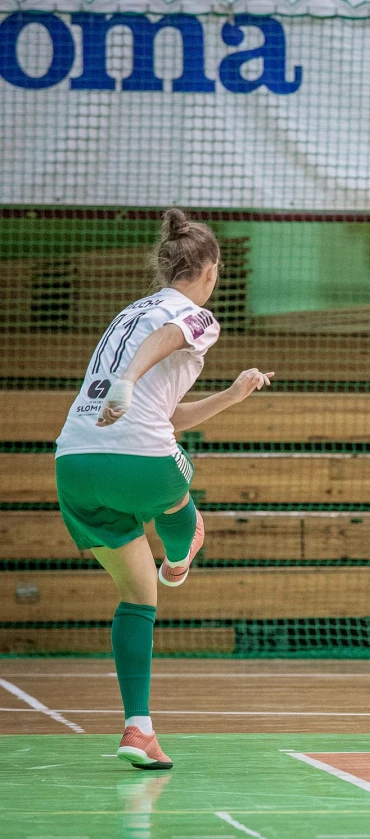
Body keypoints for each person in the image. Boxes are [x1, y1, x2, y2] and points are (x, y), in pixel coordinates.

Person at [54, 209, 273, 769]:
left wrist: (231, 395)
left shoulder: (128, 313)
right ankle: (180, 551)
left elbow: (166, 415)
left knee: (137, 597)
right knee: (179, 487)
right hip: (140, 459)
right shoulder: (195, 315)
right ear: (211, 271)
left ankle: (139, 729)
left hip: (75, 464)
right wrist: (128, 381)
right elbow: (170, 337)